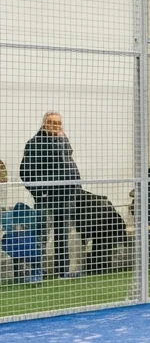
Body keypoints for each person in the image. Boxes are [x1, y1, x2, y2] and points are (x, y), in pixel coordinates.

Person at [18, 112, 82, 278]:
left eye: (58, 123)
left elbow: (68, 167)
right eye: (52, 122)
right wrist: (41, 193)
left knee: (63, 235)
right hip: (47, 198)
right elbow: (25, 172)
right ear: (44, 124)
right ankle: (35, 271)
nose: (56, 125)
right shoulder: (35, 144)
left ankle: (63, 271)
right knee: (41, 234)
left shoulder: (63, 142)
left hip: (67, 196)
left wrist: (76, 188)